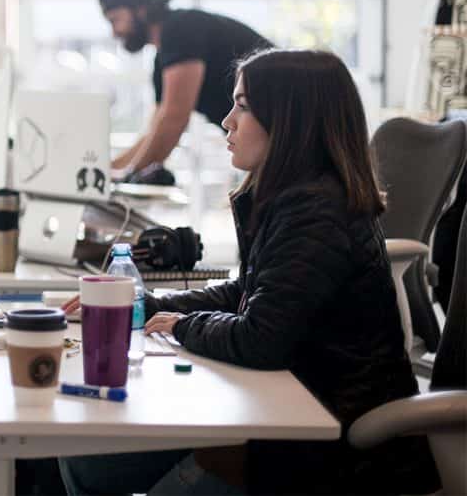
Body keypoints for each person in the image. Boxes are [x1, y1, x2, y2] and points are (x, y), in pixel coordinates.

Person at [59, 49, 439, 495]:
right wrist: (149, 306)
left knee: (86, 462)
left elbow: (261, 338)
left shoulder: (316, 211)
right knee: (80, 460)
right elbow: (249, 291)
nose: (226, 121)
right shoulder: (298, 197)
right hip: (283, 416)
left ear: (289, 120)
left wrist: (182, 325)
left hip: (327, 451)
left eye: (242, 105)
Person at [99, 0, 272, 181]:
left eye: (115, 19)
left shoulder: (179, 29)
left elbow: (174, 117)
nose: (114, 32)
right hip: (270, 145)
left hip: (292, 136)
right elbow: (154, 131)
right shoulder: (162, 60)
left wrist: (127, 176)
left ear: (139, 9)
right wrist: (108, 173)